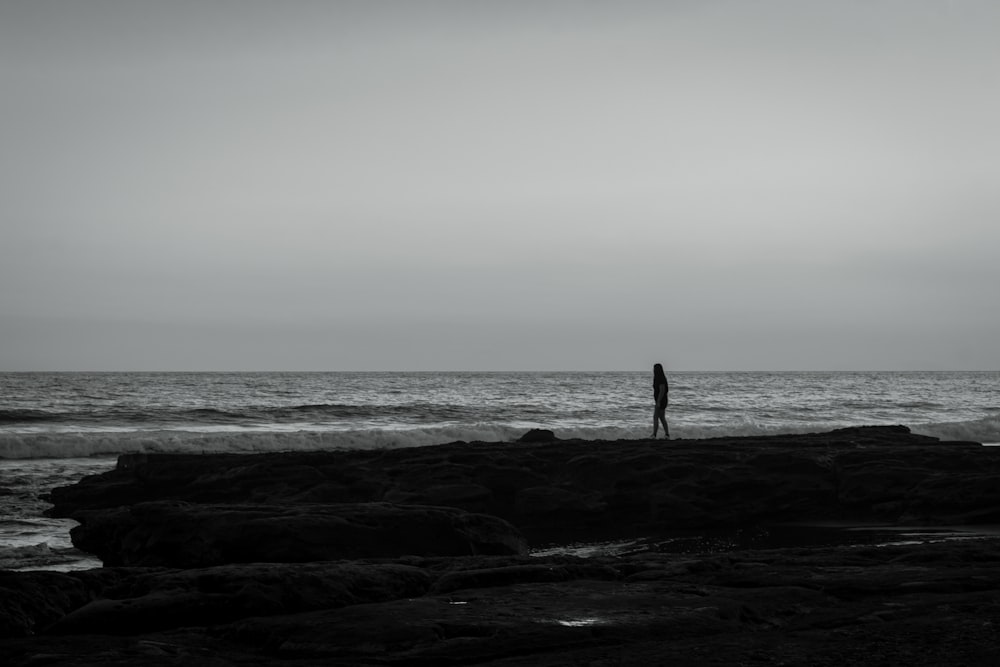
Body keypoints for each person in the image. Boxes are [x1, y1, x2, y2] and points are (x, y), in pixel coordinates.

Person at [652, 363, 670, 439]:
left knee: (656, 417)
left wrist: (658, 401)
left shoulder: (661, 379)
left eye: (654, 369)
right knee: (662, 418)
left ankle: (654, 435)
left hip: (661, 400)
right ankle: (667, 434)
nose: (653, 370)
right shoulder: (657, 378)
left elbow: (662, 390)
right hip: (660, 400)